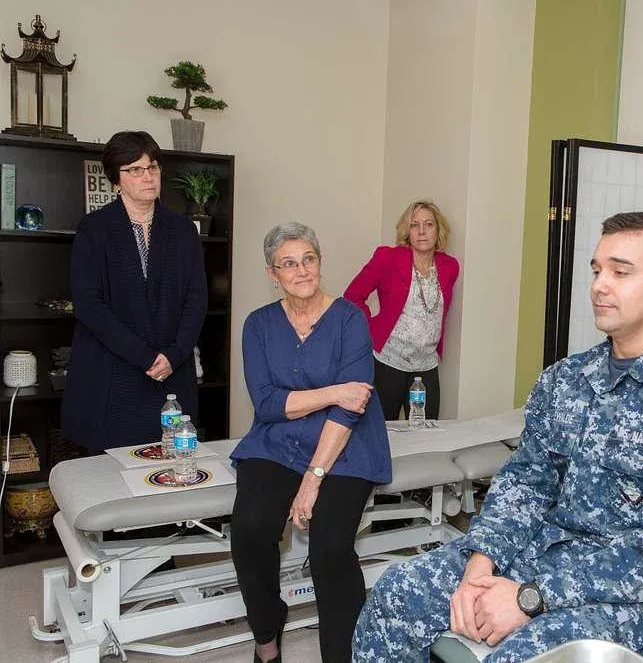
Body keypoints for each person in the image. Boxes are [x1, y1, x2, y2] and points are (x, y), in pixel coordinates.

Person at [353, 212, 643, 663]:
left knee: (526, 654)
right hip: (544, 555)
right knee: (397, 593)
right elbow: (525, 483)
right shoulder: (567, 380)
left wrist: (528, 598)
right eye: (596, 270)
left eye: (621, 271)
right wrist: (481, 563)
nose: (599, 285)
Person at [229, 222, 392, 663]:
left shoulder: (349, 318)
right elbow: (266, 404)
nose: (302, 270)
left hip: (346, 445)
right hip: (278, 442)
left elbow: (352, 405)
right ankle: (267, 635)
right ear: (272, 273)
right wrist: (333, 390)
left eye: (309, 259)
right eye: (289, 263)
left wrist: (313, 478)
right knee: (250, 528)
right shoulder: (259, 325)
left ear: (319, 262)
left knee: (331, 550)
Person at [62, 131, 207, 452]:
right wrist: (145, 356)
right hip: (113, 375)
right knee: (113, 478)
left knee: (171, 469)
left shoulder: (183, 230)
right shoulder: (94, 228)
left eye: (153, 168)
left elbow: (196, 300)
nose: (148, 177)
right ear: (116, 179)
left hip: (171, 374)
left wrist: (174, 354)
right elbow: (89, 305)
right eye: (135, 170)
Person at [344, 200, 460, 420]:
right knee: (384, 432)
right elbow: (352, 296)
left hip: (426, 365)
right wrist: (373, 327)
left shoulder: (450, 266)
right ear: (407, 231)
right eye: (415, 225)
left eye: (429, 224)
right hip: (389, 362)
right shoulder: (387, 258)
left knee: (425, 434)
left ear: (438, 230)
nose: (422, 231)